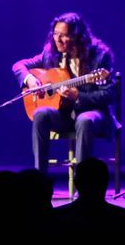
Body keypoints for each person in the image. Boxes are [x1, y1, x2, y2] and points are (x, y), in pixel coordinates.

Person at [12, 11, 118, 171]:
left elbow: (109, 94)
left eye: (64, 35)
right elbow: (19, 66)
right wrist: (30, 80)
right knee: (40, 114)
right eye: (55, 34)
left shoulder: (100, 56)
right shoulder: (50, 54)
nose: (58, 39)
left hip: (93, 114)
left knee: (85, 120)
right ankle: (39, 179)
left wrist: (78, 96)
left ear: (77, 36)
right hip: (64, 115)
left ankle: (82, 181)